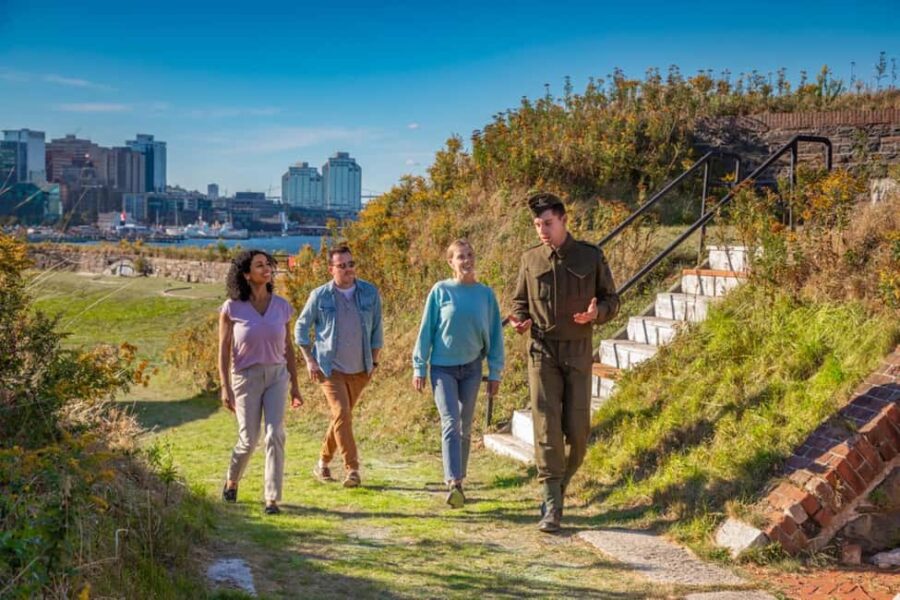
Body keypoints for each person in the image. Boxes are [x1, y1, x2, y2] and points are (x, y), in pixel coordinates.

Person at [509, 193, 619, 533]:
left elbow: (612, 301)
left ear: (563, 220)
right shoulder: (530, 259)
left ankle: (557, 488)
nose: (542, 230)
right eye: (537, 224)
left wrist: (595, 314)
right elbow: (518, 302)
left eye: (548, 223)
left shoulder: (590, 256)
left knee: (579, 432)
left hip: (577, 350)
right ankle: (552, 503)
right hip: (542, 351)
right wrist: (519, 320)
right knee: (547, 428)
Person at [412, 239, 504, 508]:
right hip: (442, 369)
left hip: (472, 368)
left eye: (470, 255)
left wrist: (495, 372)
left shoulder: (485, 295)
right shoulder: (441, 291)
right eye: (460, 256)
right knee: (450, 421)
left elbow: (496, 336)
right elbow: (426, 330)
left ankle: (460, 480)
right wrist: (419, 366)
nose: (467, 260)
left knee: (465, 426)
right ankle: (453, 481)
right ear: (450, 262)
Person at [219, 249, 303, 515]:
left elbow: (288, 347)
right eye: (259, 266)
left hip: (277, 375)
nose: (266, 269)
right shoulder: (232, 308)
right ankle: (232, 480)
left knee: (275, 433)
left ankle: (272, 498)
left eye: (268, 264)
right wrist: (225, 386)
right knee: (249, 439)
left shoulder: (282, 306)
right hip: (245, 378)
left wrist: (295, 385)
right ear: (246, 274)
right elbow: (223, 350)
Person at [294, 244, 383, 488]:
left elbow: (377, 330)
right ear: (331, 269)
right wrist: (309, 360)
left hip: (361, 368)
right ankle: (352, 469)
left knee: (340, 418)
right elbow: (300, 329)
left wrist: (374, 361)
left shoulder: (369, 293)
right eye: (342, 266)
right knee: (342, 413)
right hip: (328, 368)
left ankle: (322, 463)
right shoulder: (320, 296)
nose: (348, 270)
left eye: (351, 264)